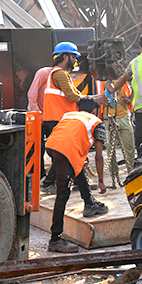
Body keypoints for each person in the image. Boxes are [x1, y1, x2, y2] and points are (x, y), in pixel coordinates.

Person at [41, 42, 108, 193]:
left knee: (73, 153)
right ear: (65, 57)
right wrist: (96, 100)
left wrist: (98, 97)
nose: (75, 60)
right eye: (73, 56)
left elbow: (79, 95)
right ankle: (48, 183)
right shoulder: (59, 73)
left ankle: (79, 183)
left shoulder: (63, 74)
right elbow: (72, 96)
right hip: (57, 119)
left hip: (62, 119)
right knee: (63, 154)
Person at [45, 98, 109, 253]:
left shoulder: (69, 115)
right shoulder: (96, 121)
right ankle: (55, 239)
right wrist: (101, 181)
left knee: (77, 166)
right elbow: (99, 156)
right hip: (65, 151)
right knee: (63, 193)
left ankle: (89, 203)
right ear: (95, 110)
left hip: (51, 146)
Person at [101, 81, 136, 169]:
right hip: (108, 118)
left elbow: (136, 84)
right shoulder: (101, 77)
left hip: (123, 116)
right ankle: (113, 173)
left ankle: (131, 172)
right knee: (110, 151)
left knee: (130, 148)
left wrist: (130, 99)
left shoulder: (122, 76)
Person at [27, 66, 53, 178]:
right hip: (39, 116)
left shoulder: (62, 77)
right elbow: (32, 94)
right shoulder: (44, 73)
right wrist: (38, 114)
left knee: (55, 148)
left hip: (50, 117)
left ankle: (52, 177)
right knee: (37, 148)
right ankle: (38, 176)